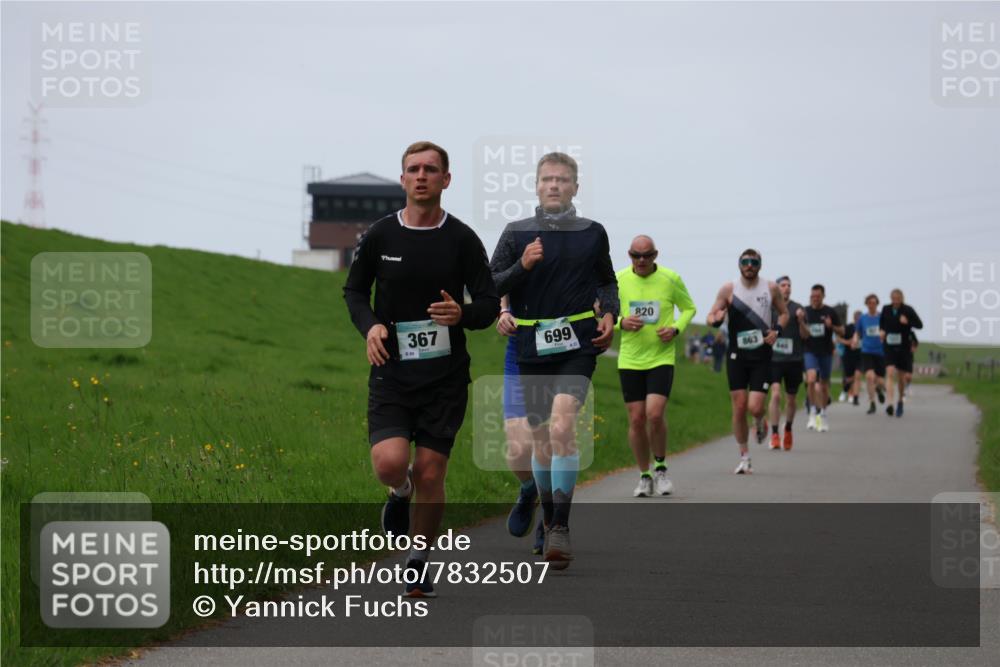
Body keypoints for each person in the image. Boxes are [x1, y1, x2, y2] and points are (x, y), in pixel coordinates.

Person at [343, 141, 499, 597]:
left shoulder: (463, 239)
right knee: (391, 464)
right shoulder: (380, 236)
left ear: (446, 180)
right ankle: (399, 491)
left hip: (445, 376)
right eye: (413, 169)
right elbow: (353, 293)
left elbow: (489, 303)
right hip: (391, 369)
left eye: (431, 169)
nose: (422, 175)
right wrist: (371, 327)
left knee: (433, 472)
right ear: (403, 179)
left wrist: (462, 316)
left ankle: (417, 560)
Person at [489, 152, 618, 569]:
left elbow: (607, 281)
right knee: (540, 441)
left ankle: (559, 526)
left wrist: (611, 315)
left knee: (563, 425)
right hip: (531, 347)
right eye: (547, 179)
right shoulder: (517, 232)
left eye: (563, 180)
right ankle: (544, 511)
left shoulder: (593, 233)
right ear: (537, 185)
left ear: (575, 187)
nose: (555, 186)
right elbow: (490, 284)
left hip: (578, 344)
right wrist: (522, 267)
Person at [616, 235, 696, 497]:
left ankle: (661, 468)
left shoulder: (670, 279)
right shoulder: (619, 280)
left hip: (661, 357)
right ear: (629, 255)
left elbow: (689, 308)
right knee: (637, 419)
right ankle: (644, 475)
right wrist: (621, 322)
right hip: (630, 358)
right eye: (635, 255)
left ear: (655, 255)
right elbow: (603, 313)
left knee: (654, 414)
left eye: (646, 255)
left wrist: (675, 329)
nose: (641, 260)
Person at [706, 249, 787, 474]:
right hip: (737, 355)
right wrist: (717, 318)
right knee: (740, 406)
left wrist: (777, 331)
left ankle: (760, 421)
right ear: (739, 264)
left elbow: (784, 313)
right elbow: (710, 315)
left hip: (762, 355)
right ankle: (744, 456)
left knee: (755, 406)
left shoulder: (771, 288)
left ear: (760, 265)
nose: (749, 265)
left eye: (754, 262)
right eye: (745, 262)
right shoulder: (729, 289)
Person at [496, 296, 546, 555]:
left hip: (563, 356)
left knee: (552, 442)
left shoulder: (578, 253)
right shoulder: (522, 253)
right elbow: (501, 278)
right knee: (518, 449)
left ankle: (552, 521)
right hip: (520, 352)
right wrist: (504, 309)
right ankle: (529, 490)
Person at [766, 276, 805, 451]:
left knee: (791, 399)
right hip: (774, 359)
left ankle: (788, 429)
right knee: (775, 395)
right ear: (777, 288)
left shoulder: (798, 309)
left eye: (789, 285)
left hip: (794, 360)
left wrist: (801, 321)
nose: (787, 288)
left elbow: (806, 335)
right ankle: (774, 434)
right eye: (783, 285)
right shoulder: (769, 307)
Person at [799, 284, 843, 432]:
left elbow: (842, 331)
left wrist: (832, 327)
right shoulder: (805, 312)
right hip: (809, 350)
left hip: (825, 352)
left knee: (824, 385)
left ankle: (823, 414)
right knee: (811, 379)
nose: (815, 299)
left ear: (823, 296)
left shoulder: (830, 312)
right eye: (812, 296)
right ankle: (812, 411)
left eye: (817, 296)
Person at [880, 289, 923, 417]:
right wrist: (882, 331)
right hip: (889, 345)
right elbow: (882, 322)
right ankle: (890, 403)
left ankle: (900, 401)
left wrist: (908, 322)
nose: (896, 300)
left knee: (901, 377)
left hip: (904, 347)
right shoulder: (886, 309)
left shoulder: (908, 310)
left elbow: (920, 325)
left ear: (902, 298)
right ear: (891, 298)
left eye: (898, 298)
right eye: (893, 298)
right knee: (889, 372)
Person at [857, 294, 886, 414]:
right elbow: (857, 332)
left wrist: (884, 334)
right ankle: (872, 403)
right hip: (867, 350)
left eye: (874, 303)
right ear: (867, 304)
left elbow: (887, 330)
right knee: (869, 377)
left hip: (880, 351)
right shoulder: (862, 318)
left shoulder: (882, 317)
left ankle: (879, 390)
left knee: (880, 380)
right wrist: (855, 338)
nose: (872, 305)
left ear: (877, 304)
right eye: (869, 303)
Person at [836, 311, 863, 406]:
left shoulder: (864, 328)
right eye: (857, 318)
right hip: (848, 355)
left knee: (857, 375)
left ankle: (855, 397)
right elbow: (838, 339)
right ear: (854, 318)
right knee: (849, 378)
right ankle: (845, 391)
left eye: (860, 318)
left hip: (861, 356)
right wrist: (848, 342)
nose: (859, 320)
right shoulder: (849, 327)